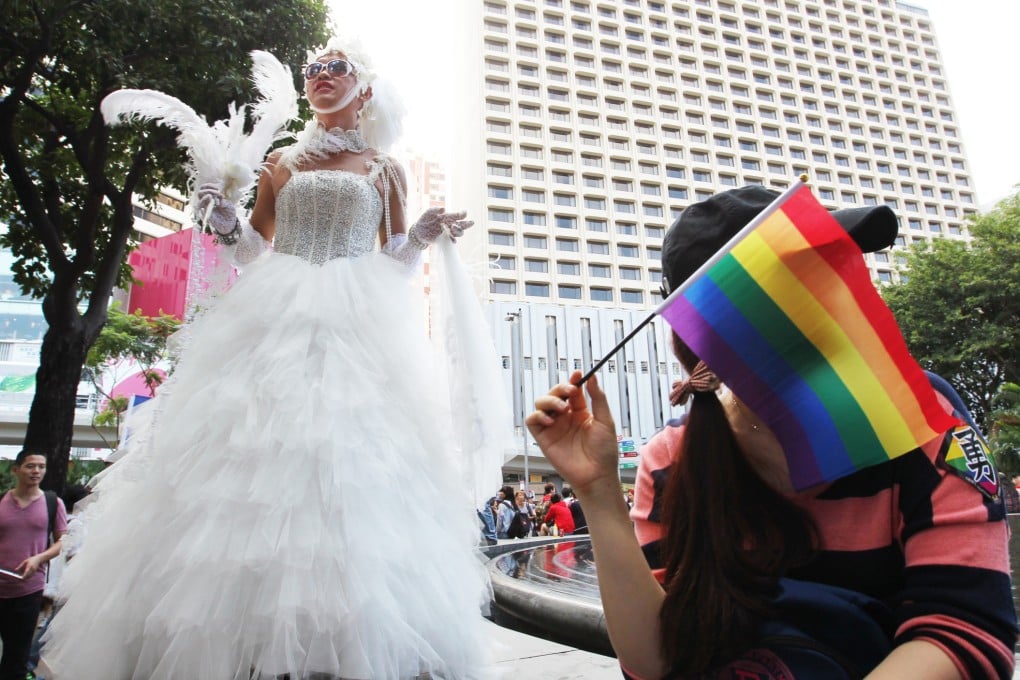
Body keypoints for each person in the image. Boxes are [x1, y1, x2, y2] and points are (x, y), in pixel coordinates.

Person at [41, 37, 502, 680]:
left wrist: (420, 235)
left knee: (351, 464)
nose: (320, 77)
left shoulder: (385, 168)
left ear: (363, 90)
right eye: (313, 70)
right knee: (243, 453)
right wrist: (225, 220)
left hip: (358, 317)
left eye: (335, 68)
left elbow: (394, 260)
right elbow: (253, 249)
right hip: (272, 306)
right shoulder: (280, 161)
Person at [527, 186, 1017, 679]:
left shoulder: (919, 417)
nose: (842, 291)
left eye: (837, 264)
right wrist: (598, 492)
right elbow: (656, 660)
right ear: (714, 333)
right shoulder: (671, 461)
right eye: (800, 279)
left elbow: (965, 630)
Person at [0, 450, 67, 680]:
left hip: (28, 590)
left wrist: (39, 558)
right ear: (16, 469)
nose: (36, 471)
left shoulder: (52, 503)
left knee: (16, 656)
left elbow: (62, 541)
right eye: (30, 466)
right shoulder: (2, 502)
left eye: (41, 466)